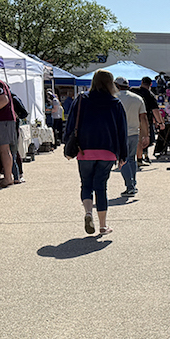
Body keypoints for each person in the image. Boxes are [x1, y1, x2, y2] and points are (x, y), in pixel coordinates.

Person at [64, 70, 127, 237]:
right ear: (111, 83)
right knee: (101, 187)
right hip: (108, 151)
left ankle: (88, 213)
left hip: (84, 150)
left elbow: (71, 123)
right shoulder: (116, 103)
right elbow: (122, 131)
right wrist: (123, 155)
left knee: (86, 184)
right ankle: (103, 226)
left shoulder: (81, 100)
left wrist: (67, 142)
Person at [114, 77, 147, 197]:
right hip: (134, 133)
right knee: (131, 159)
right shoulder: (137, 98)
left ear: (116, 85)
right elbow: (143, 118)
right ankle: (133, 183)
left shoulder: (114, 98)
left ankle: (130, 186)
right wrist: (145, 135)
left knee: (123, 160)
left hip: (119, 134)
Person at [135, 77, 160, 164]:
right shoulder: (150, 95)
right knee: (145, 139)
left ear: (141, 82)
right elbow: (155, 110)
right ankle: (142, 157)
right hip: (145, 120)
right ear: (151, 84)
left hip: (133, 119)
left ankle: (138, 158)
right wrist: (160, 122)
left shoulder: (134, 91)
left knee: (135, 139)